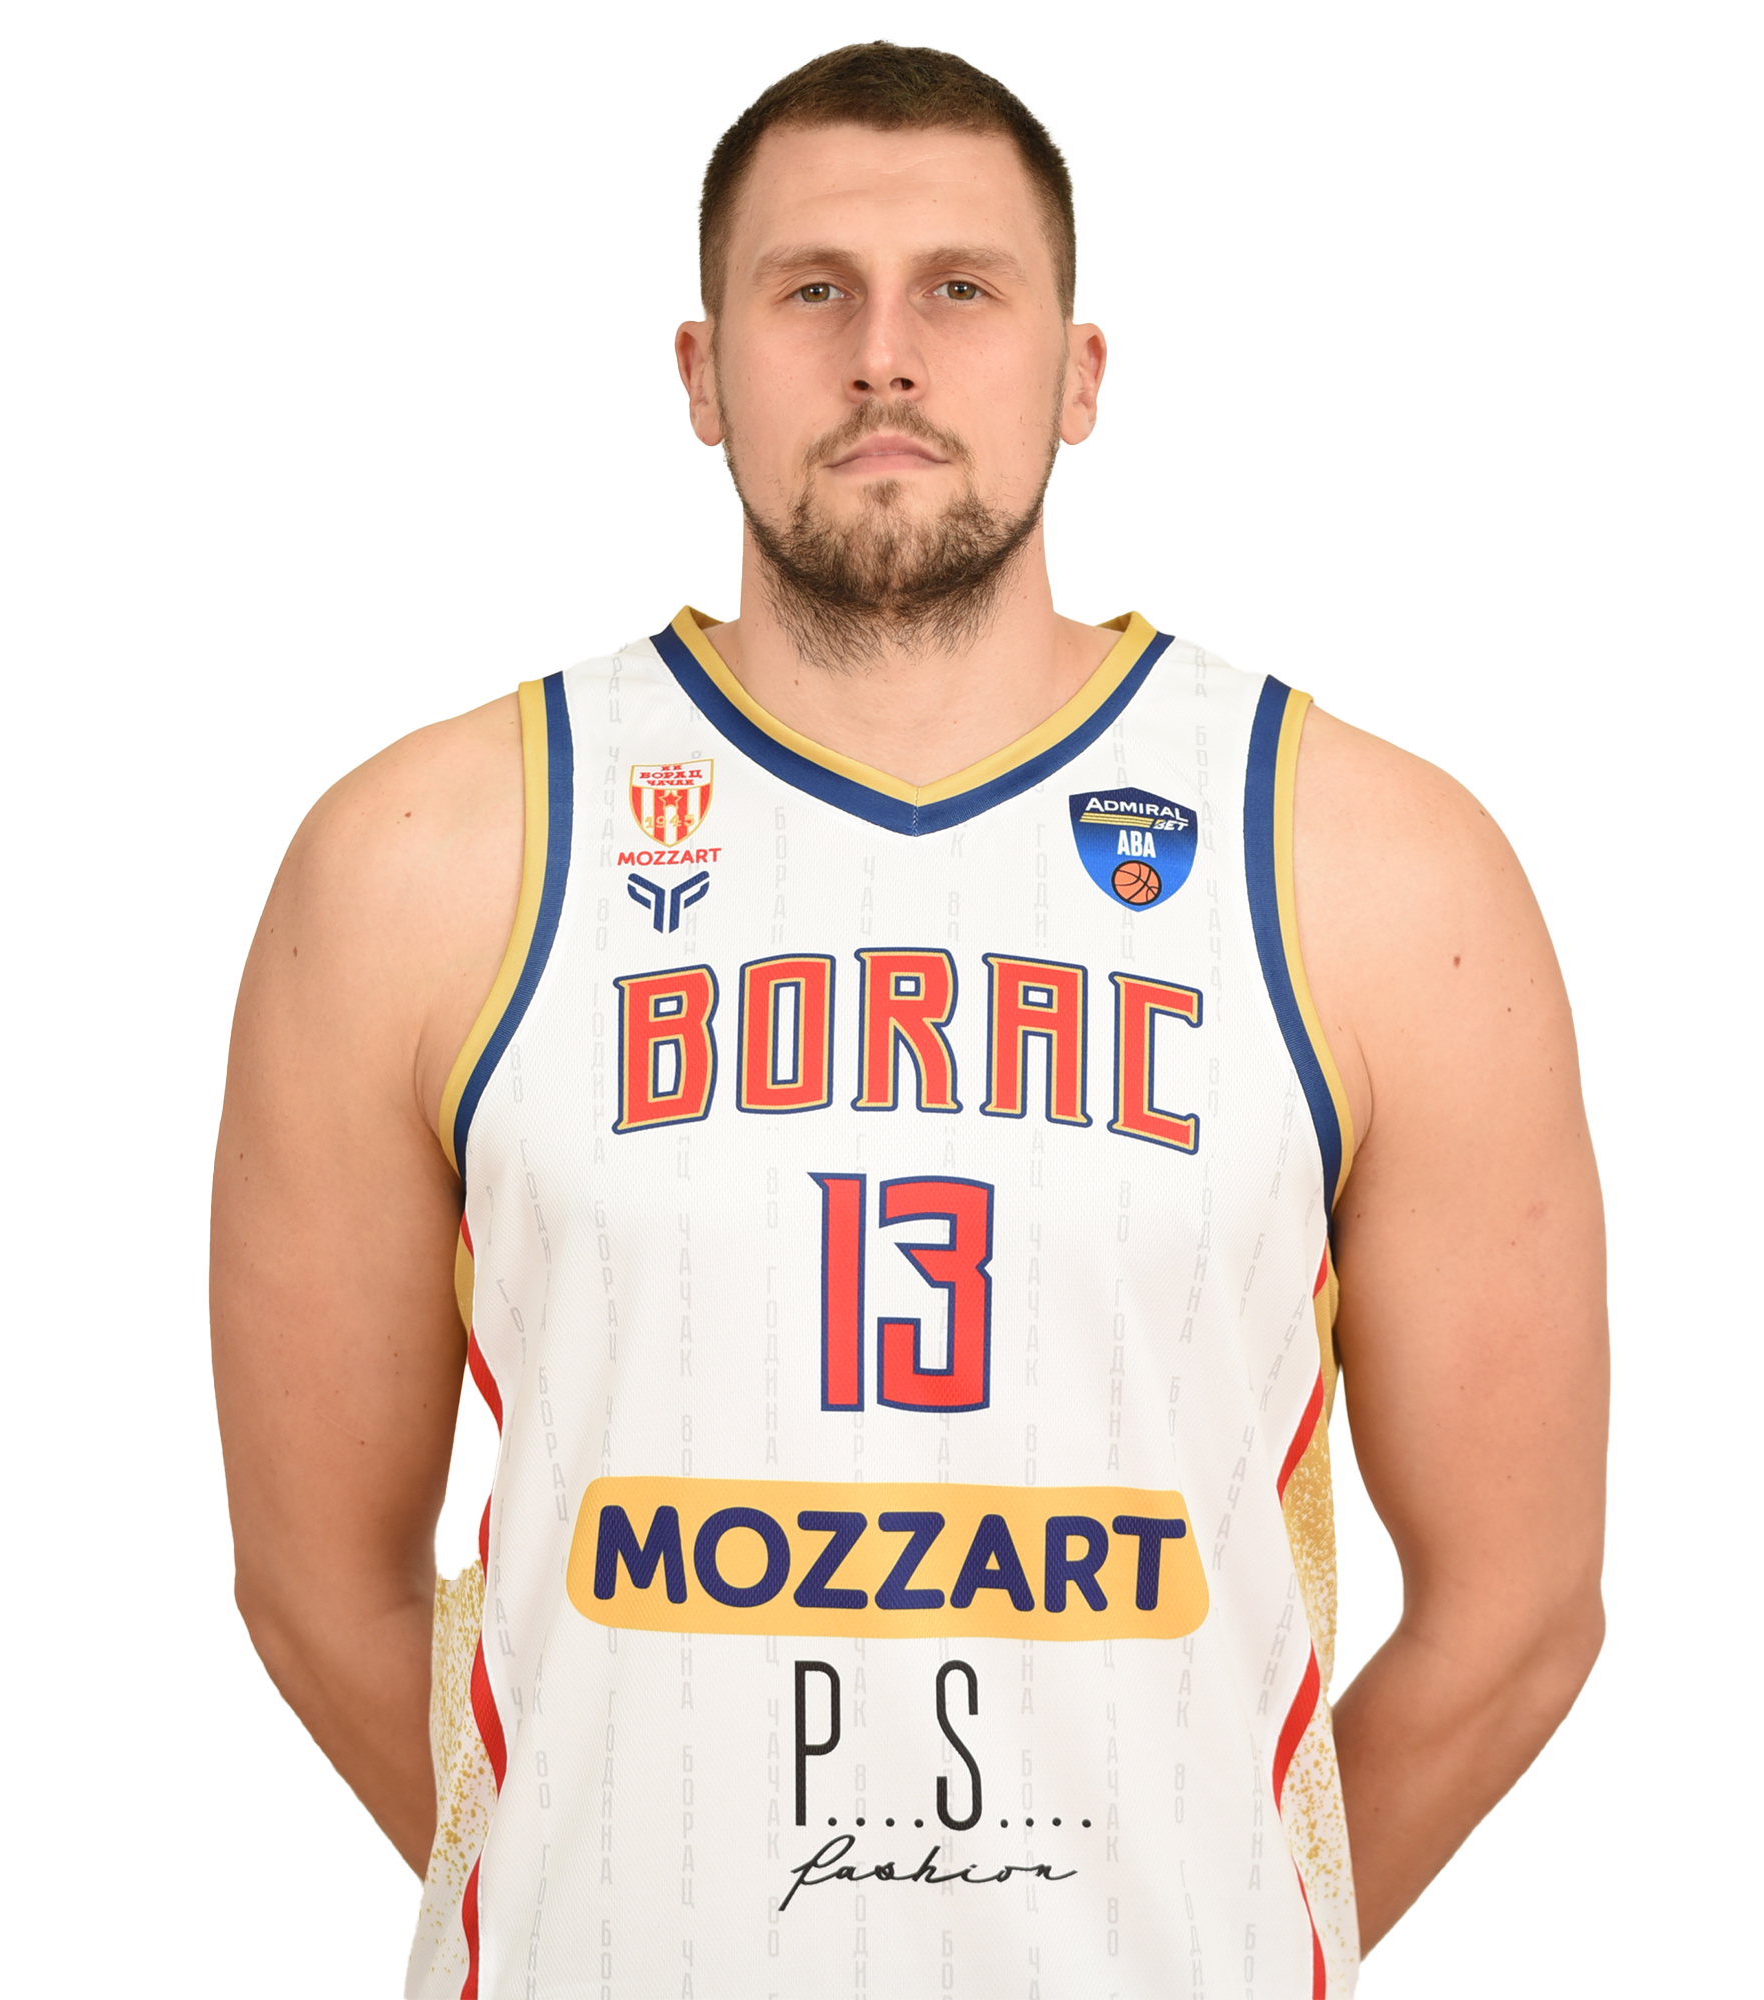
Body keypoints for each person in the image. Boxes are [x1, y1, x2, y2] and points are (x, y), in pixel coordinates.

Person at [212, 39, 1606, 1999]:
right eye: (812, 291)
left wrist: (1208, 1932)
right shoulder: (425, 860)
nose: (886, 356)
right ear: (703, 373)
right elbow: (313, 1587)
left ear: (1078, 371)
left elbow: (1519, 1613)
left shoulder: (1371, 870)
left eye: (961, 287)